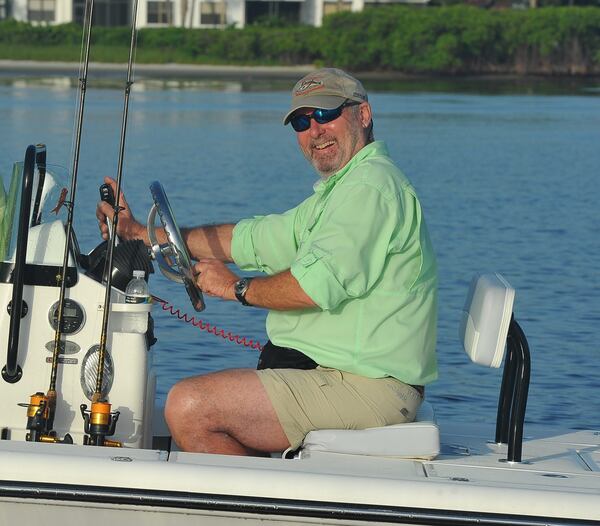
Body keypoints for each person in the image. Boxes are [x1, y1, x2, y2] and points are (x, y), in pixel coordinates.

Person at [96, 68, 438, 456]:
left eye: (326, 114)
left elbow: (312, 285)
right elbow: (252, 240)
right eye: (302, 121)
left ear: (363, 114)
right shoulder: (342, 191)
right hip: (334, 373)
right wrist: (143, 233)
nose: (315, 130)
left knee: (189, 407)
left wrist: (234, 288)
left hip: (366, 386)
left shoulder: (370, 188)